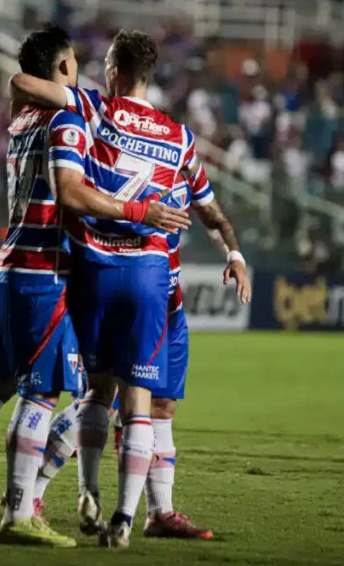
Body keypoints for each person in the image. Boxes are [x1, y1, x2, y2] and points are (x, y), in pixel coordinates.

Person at [0, 25, 189, 546]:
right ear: (63, 69)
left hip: (9, 263)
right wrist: (139, 210)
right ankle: (19, 514)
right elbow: (71, 193)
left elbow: (21, 88)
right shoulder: (69, 118)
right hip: (45, 271)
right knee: (40, 393)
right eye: (76, 63)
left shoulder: (21, 122)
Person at [10, 29, 231, 549]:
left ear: (112, 70)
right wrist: (233, 253)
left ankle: (127, 502)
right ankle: (120, 516)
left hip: (98, 271)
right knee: (136, 401)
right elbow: (211, 210)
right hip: (152, 281)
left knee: (114, 397)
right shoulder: (178, 138)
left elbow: (22, 83)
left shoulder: (93, 111)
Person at [32, 168, 252, 540]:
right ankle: (29, 493)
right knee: (109, 399)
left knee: (161, 406)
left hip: (167, 306)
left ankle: (159, 512)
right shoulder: (112, 162)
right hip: (121, 297)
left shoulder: (180, 163)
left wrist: (235, 255)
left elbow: (214, 217)